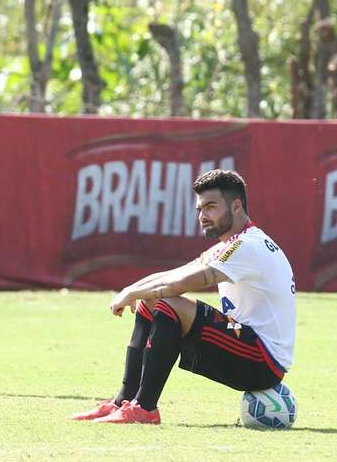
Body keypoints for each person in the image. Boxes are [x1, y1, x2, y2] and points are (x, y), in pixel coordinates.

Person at [72, 169, 296, 424]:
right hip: (246, 345)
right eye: (200, 209)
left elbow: (181, 283)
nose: (203, 216)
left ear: (236, 206)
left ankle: (145, 409)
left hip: (263, 363)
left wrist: (132, 292)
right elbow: (177, 272)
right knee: (153, 301)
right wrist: (131, 290)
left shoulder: (248, 247)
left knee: (168, 301)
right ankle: (124, 401)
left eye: (211, 207)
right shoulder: (233, 244)